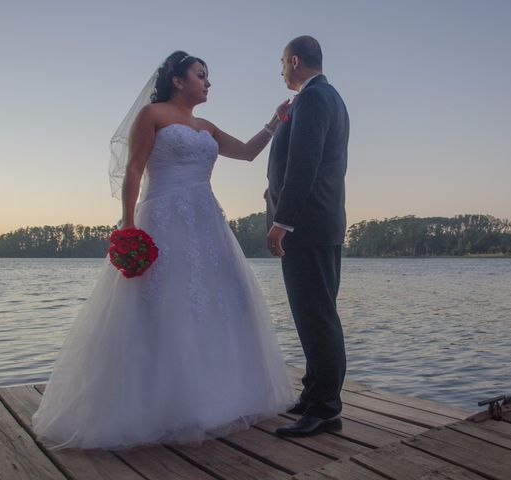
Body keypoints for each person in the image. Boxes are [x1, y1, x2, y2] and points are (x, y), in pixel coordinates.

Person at [32, 51, 295, 450]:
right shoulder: (152, 115)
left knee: (219, 301)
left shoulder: (206, 126)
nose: (208, 83)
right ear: (177, 80)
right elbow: (134, 169)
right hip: (163, 219)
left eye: (208, 77)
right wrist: (128, 224)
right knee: (165, 302)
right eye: (200, 75)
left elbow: (246, 152)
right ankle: (155, 405)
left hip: (206, 222)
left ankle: (220, 397)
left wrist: (275, 120)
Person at [265, 36, 350, 437]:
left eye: (282, 62)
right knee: (315, 313)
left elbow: (305, 164)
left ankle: (326, 409)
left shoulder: (315, 99)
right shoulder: (326, 97)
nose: (281, 69)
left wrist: (284, 220)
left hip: (309, 225)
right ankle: (313, 393)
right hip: (319, 223)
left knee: (316, 317)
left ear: (295, 61)